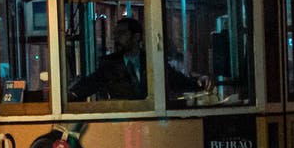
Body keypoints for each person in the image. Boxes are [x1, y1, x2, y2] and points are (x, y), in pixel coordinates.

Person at [68, 17, 200, 101]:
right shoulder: (109, 64)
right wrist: (71, 95)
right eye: (115, 34)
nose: (116, 38)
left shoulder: (153, 62)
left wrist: (200, 82)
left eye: (121, 33)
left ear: (136, 37)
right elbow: (92, 82)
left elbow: (178, 80)